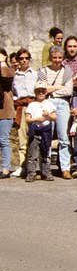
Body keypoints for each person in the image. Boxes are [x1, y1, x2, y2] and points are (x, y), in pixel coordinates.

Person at [37, 45, 73, 178]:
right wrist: (59, 86)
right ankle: (45, 168)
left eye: (59, 57)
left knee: (64, 137)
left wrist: (51, 89)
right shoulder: (43, 70)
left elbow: (68, 90)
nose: (57, 60)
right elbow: (42, 89)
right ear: (50, 57)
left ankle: (65, 168)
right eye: (54, 57)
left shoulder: (67, 71)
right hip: (48, 103)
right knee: (46, 135)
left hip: (63, 103)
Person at [24, 81, 57, 182]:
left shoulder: (49, 104)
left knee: (46, 153)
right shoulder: (32, 105)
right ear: (35, 93)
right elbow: (27, 119)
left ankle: (47, 172)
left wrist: (48, 115)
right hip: (35, 131)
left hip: (46, 132)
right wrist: (36, 119)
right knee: (32, 155)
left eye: (43, 91)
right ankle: (31, 173)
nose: (41, 93)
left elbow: (55, 118)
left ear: (46, 92)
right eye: (38, 91)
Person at [11, 48, 36, 177]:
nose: (24, 60)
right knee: (22, 139)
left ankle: (35, 166)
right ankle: (22, 166)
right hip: (21, 107)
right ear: (18, 60)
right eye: (21, 58)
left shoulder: (35, 74)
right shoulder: (14, 76)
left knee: (35, 137)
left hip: (33, 105)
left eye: (26, 58)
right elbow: (12, 92)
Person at [0, 49, 14, 178]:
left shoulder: (8, 71)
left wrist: (2, 63)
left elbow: (7, 78)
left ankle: (6, 169)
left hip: (4, 110)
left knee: (3, 140)